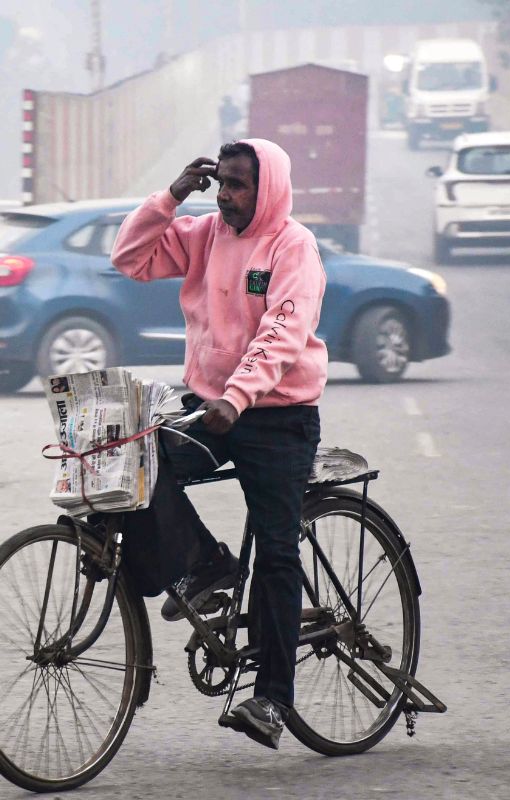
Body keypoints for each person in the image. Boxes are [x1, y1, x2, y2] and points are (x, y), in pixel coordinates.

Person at [111, 139, 327, 750]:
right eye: (221, 183)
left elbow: (283, 331)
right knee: (140, 467)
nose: (226, 194)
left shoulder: (293, 246)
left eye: (237, 185)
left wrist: (239, 396)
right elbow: (129, 257)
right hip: (213, 409)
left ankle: (273, 699)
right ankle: (207, 565)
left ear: (268, 190)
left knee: (279, 553)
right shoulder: (204, 233)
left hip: (278, 416)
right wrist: (173, 194)